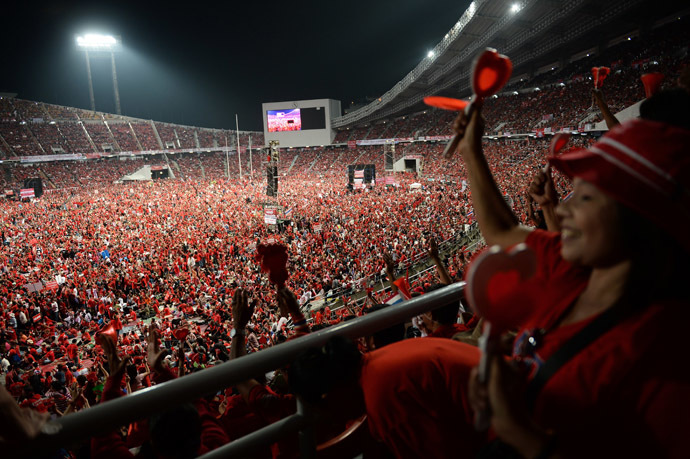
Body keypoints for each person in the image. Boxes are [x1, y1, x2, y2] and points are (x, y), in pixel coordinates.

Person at [453, 101, 690, 457]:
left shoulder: (668, 356)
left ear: (640, 216)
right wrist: (472, 150)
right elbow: (501, 230)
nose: (561, 208)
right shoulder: (571, 268)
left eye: (585, 197)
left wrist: (525, 435)